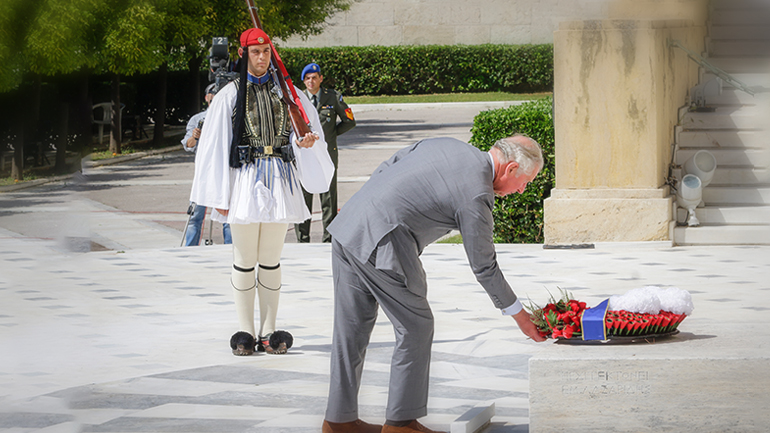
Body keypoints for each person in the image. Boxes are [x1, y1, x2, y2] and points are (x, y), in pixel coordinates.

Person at [321, 135, 548, 433]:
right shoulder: (475, 194)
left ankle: (339, 422)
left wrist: (375, 210)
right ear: (510, 168)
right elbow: (484, 266)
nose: (522, 189)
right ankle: (401, 425)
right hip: (383, 241)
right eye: (525, 182)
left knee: (350, 328)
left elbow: (389, 166)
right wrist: (520, 315)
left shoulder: (447, 144)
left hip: (349, 226)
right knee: (415, 325)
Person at [190, 28, 329, 356]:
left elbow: (304, 134)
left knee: (270, 260)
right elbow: (215, 147)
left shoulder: (289, 94)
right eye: (256, 52)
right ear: (244, 54)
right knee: (244, 259)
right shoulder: (230, 95)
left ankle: (269, 331)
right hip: (245, 180)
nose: (262, 58)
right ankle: (245, 331)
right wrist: (220, 197)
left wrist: (305, 142)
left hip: (279, 179)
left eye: (266, 52)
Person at [294, 63, 356, 243]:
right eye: (307, 78)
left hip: (327, 154)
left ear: (321, 79)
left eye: (314, 77)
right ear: (303, 81)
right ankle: (302, 239)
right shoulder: (297, 99)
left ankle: (328, 239)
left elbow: (349, 121)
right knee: (304, 196)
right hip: (305, 155)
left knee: (329, 197)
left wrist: (330, 135)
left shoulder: (333, 97)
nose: (311, 81)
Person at [182, 84, 232, 246]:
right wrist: (196, 137)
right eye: (212, 93)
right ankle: (190, 249)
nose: (215, 95)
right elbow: (188, 145)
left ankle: (231, 249)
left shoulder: (229, 115)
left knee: (227, 217)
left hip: (224, 171)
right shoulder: (199, 119)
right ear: (206, 97)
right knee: (195, 216)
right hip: (204, 173)